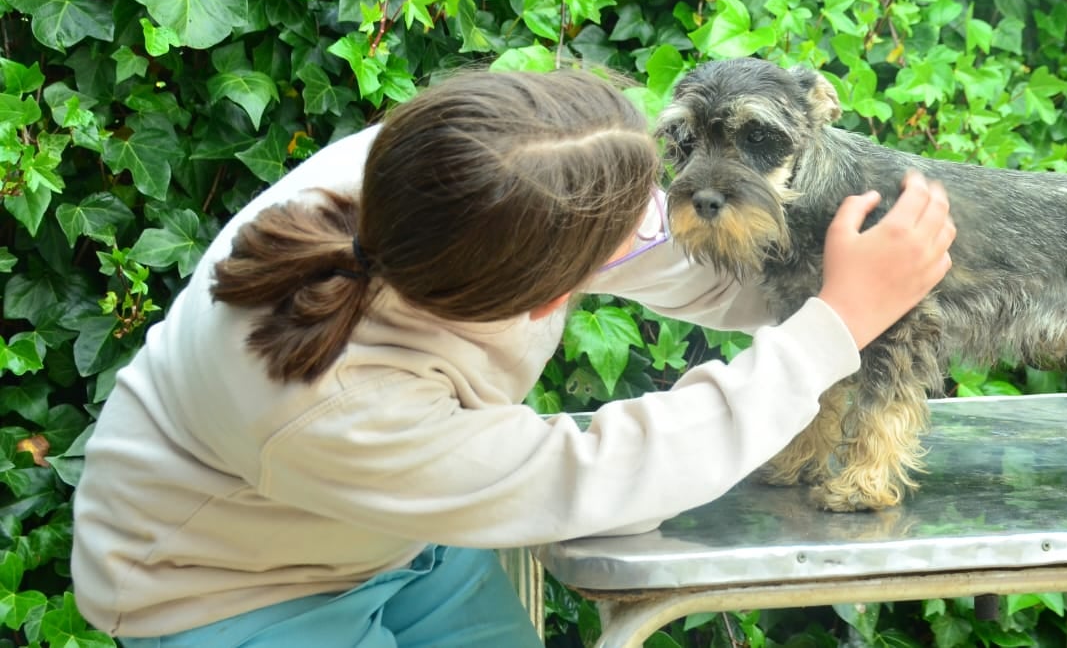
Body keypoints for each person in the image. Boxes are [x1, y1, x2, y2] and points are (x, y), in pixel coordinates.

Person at [70, 66, 955, 647]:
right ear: (545, 300)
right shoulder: (325, 407)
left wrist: (841, 283)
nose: (652, 234)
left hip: (400, 533)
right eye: (615, 250)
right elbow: (596, 473)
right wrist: (831, 325)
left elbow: (682, 261)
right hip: (222, 586)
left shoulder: (450, 173)